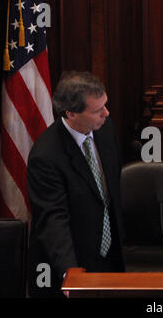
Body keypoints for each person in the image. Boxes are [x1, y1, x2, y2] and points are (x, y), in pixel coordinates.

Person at [27, 71, 125, 297]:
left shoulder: (105, 128)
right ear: (70, 113)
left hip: (108, 256)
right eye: (97, 110)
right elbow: (53, 220)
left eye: (105, 105)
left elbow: (110, 192)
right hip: (70, 261)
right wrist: (71, 273)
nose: (106, 113)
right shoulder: (46, 156)